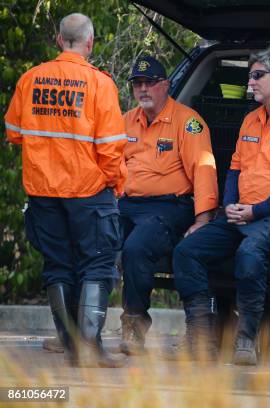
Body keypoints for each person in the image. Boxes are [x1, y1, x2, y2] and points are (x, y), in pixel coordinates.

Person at [163, 44, 270, 365]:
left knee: (249, 254)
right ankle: (200, 335)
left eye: (256, 76)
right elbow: (234, 169)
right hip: (241, 212)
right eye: (250, 76)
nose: (250, 82)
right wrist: (230, 206)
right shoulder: (251, 120)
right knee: (186, 252)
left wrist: (256, 211)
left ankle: (246, 339)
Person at [4, 13, 127, 367]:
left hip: (43, 191)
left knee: (58, 266)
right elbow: (111, 147)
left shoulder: (30, 79)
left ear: (59, 40)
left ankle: (72, 349)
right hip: (89, 190)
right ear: (89, 43)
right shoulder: (100, 85)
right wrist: (114, 182)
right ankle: (91, 350)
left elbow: (13, 131)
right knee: (98, 264)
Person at [118, 56, 218, 355]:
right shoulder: (125, 120)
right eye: (138, 84)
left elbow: (203, 169)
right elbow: (110, 165)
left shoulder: (188, 122)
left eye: (150, 83)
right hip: (126, 203)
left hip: (168, 207)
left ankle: (134, 329)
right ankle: (79, 331)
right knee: (92, 241)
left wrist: (203, 219)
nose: (143, 89)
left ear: (166, 85)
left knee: (136, 248)